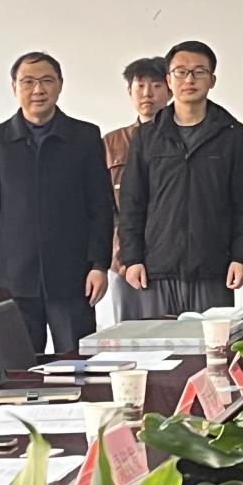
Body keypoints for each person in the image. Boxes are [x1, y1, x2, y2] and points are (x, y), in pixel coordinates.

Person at [0, 51, 113, 352]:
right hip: (14, 280)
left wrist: (100, 265)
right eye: (28, 82)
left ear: (60, 85)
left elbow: (100, 206)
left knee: (77, 367)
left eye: (47, 80)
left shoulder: (85, 136)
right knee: (18, 367)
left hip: (73, 277)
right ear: (14, 87)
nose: (38, 89)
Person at [118, 40, 243, 318]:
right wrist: (132, 258)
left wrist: (241, 257)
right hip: (157, 267)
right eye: (181, 72)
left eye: (199, 72)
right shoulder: (147, 136)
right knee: (160, 342)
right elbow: (133, 201)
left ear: (212, 80)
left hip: (213, 267)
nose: (189, 79)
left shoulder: (232, 134)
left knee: (212, 342)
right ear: (169, 80)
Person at [102, 56, 169, 324]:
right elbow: (104, 207)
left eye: (156, 86)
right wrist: (121, 256)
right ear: (129, 91)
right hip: (123, 260)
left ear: (170, 89)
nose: (147, 94)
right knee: (128, 331)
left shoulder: (182, 139)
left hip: (169, 257)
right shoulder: (111, 143)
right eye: (140, 86)